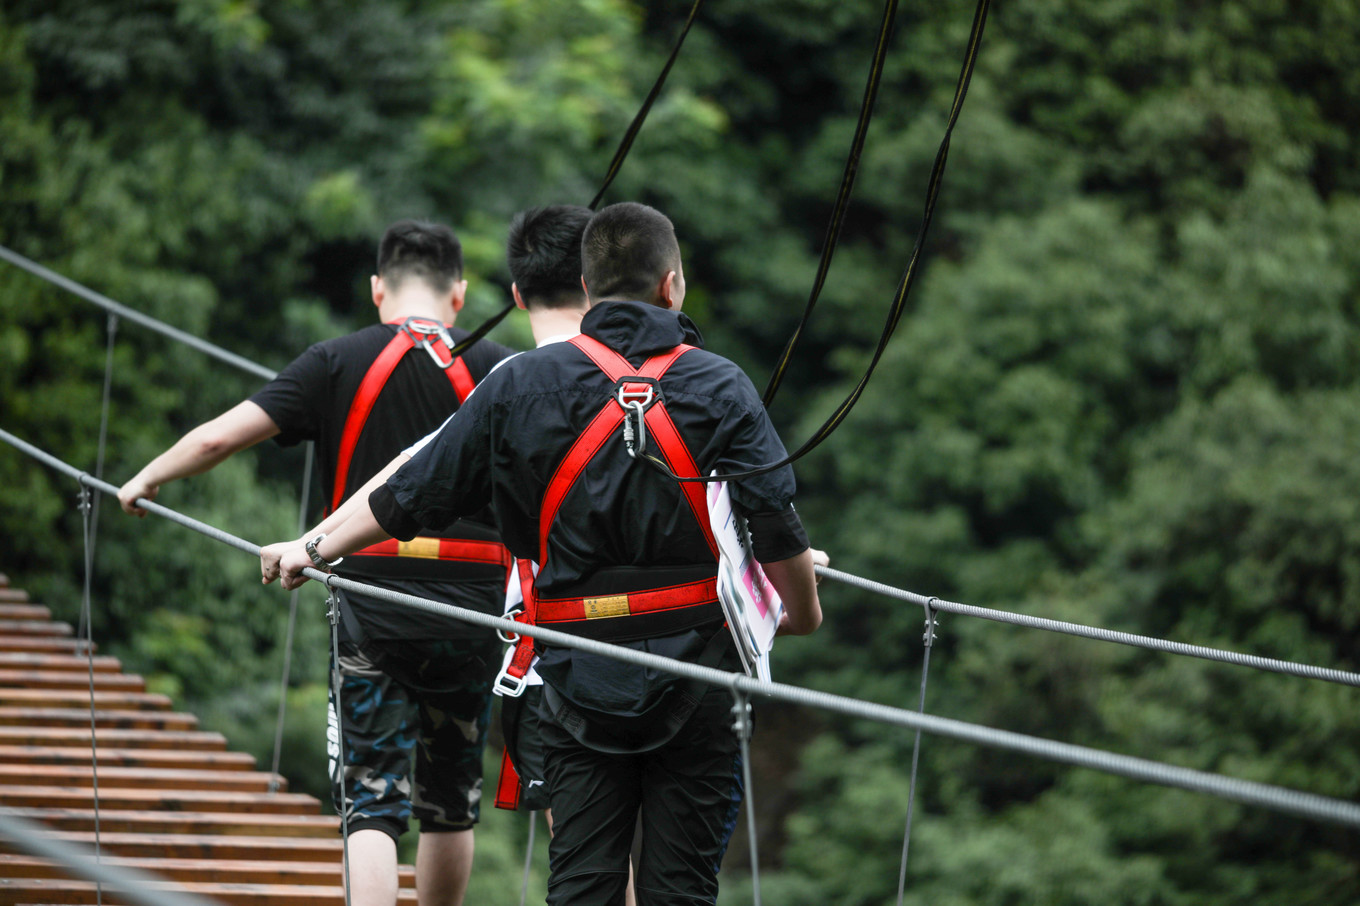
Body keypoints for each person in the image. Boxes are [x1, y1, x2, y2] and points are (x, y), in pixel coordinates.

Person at [266, 201, 823, 906]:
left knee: (585, 885)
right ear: (672, 285)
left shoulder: (519, 385)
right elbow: (773, 523)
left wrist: (312, 547)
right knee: (680, 889)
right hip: (697, 676)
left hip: (573, 670)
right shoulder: (722, 385)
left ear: (587, 290)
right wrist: (801, 613)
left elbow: (410, 493)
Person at [118, 219, 515, 906]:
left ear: (375, 289)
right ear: (459, 294)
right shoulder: (502, 370)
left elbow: (219, 438)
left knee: (372, 798)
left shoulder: (335, 361)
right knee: (452, 795)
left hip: (371, 595)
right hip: (474, 601)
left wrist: (146, 479)